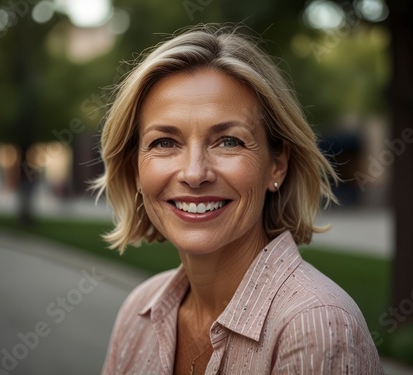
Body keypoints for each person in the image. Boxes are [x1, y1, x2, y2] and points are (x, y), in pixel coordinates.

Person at [95, 24, 385, 374]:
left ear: (277, 164)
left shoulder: (314, 326)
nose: (194, 173)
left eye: (228, 141)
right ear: (135, 171)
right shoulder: (137, 313)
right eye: (165, 143)